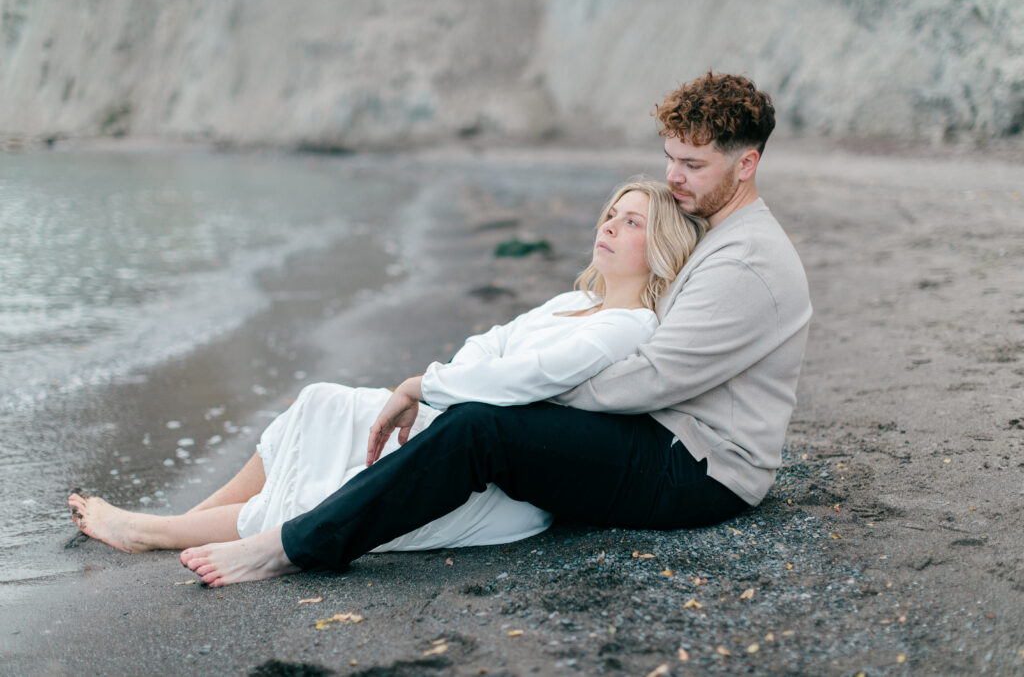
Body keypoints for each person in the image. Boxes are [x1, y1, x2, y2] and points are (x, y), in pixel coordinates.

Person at [176, 72, 812, 588]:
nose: (674, 178)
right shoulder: (718, 232)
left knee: (482, 429)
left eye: (693, 165)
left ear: (747, 164)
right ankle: (240, 517)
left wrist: (511, 394)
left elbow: (646, 381)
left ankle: (293, 545)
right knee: (473, 419)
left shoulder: (746, 261)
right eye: (670, 158)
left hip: (699, 471)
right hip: (664, 434)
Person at [68, 179, 707, 556]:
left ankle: (151, 533)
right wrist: (451, 384)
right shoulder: (579, 301)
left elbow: (524, 379)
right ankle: (179, 524)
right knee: (320, 404)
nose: (611, 228)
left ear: (657, 250)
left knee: (328, 480)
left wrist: (424, 385)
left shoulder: (630, 325)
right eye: (610, 216)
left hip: (499, 482)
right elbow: (490, 344)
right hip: (457, 415)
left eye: (631, 223)